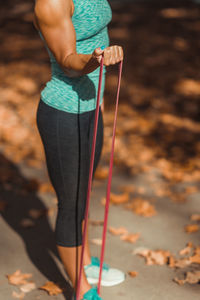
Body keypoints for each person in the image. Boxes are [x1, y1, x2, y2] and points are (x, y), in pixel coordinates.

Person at [33, 0, 124, 299]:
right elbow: (68, 61)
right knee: (71, 205)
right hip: (63, 112)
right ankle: (80, 289)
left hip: (90, 108)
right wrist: (96, 60)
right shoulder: (51, 3)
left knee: (83, 195)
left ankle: (83, 262)